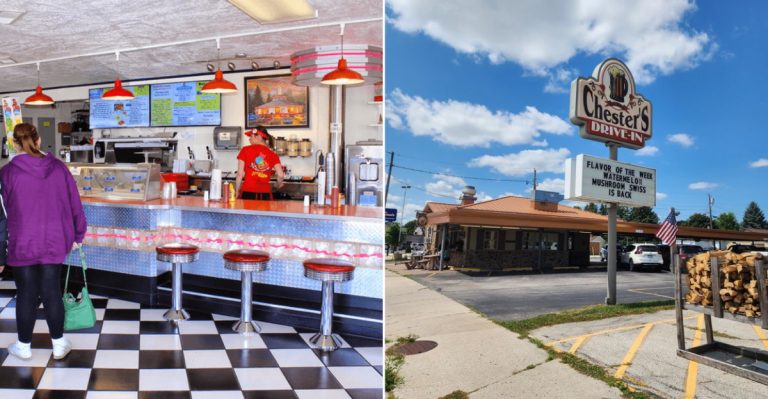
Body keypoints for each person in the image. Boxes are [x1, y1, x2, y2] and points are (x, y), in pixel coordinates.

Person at [0, 123, 87, 360]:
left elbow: (2, 215)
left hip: (22, 241)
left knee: (26, 294)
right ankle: (58, 344)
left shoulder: (7, 173)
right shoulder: (59, 168)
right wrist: (78, 234)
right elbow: (75, 204)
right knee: (51, 291)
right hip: (54, 240)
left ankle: (23, 346)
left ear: (14, 144)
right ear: (38, 141)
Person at [236, 125, 285, 200]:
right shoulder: (272, 154)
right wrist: (277, 185)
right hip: (265, 194)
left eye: (251, 136)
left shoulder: (245, 150)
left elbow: (240, 174)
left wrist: (236, 191)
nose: (249, 139)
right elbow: (281, 175)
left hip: (248, 192)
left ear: (259, 137)